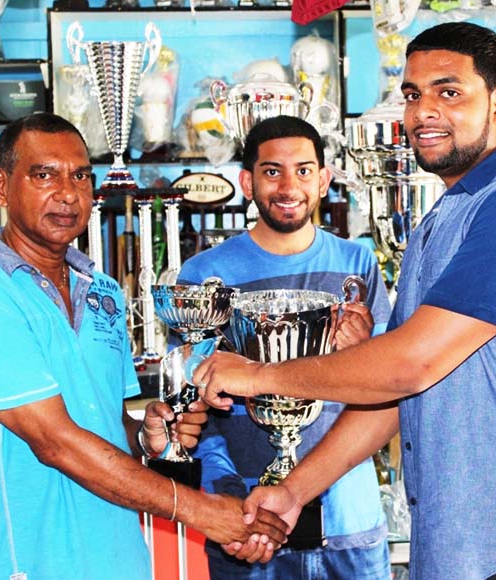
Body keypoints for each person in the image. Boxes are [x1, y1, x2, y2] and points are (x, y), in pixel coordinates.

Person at [195, 22, 496, 580]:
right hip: (452, 551)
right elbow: (397, 396)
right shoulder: (440, 222)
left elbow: (409, 365)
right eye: (412, 94)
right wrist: (295, 491)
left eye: (449, 91)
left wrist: (256, 376)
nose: (422, 111)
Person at [0, 112, 287, 580]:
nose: (67, 192)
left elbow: (108, 426)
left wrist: (148, 436)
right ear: (0, 186)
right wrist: (199, 511)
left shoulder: (102, 292)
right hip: (26, 567)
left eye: (80, 176)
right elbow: (56, 443)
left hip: (122, 563)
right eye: (43, 174)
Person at [174, 115, 394, 579]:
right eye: (272, 171)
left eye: (304, 170)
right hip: (248, 523)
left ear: (324, 180)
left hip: (347, 522)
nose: (289, 185)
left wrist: (364, 350)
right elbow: (194, 406)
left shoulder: (357, 263)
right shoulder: (206, 275)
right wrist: (227, 493)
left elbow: (390, 387)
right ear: (247, 182)